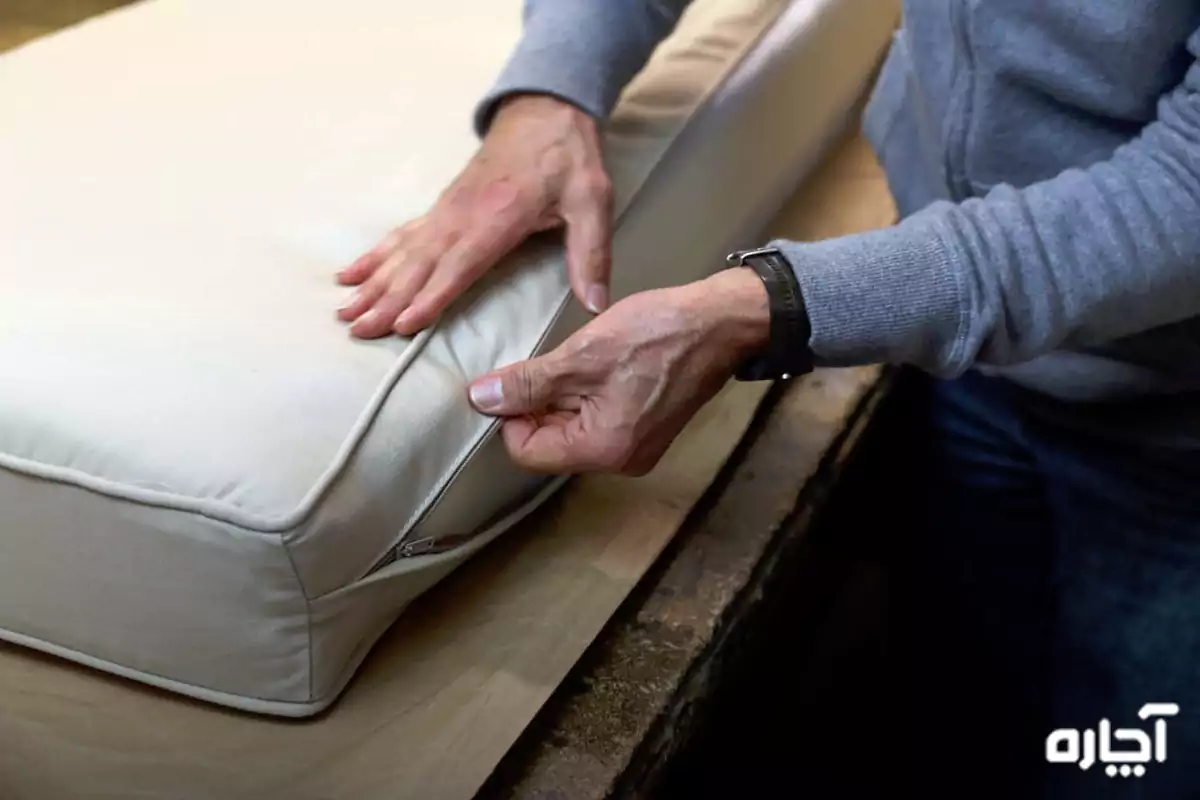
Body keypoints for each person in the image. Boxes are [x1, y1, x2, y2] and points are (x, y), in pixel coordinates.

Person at [336, 1, 1200, 796]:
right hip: (969, 360)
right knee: (969, 698)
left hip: (1176, 422)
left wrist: (766, 308)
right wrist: (549, 91)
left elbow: (1184, 195)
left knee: (1123, 756)